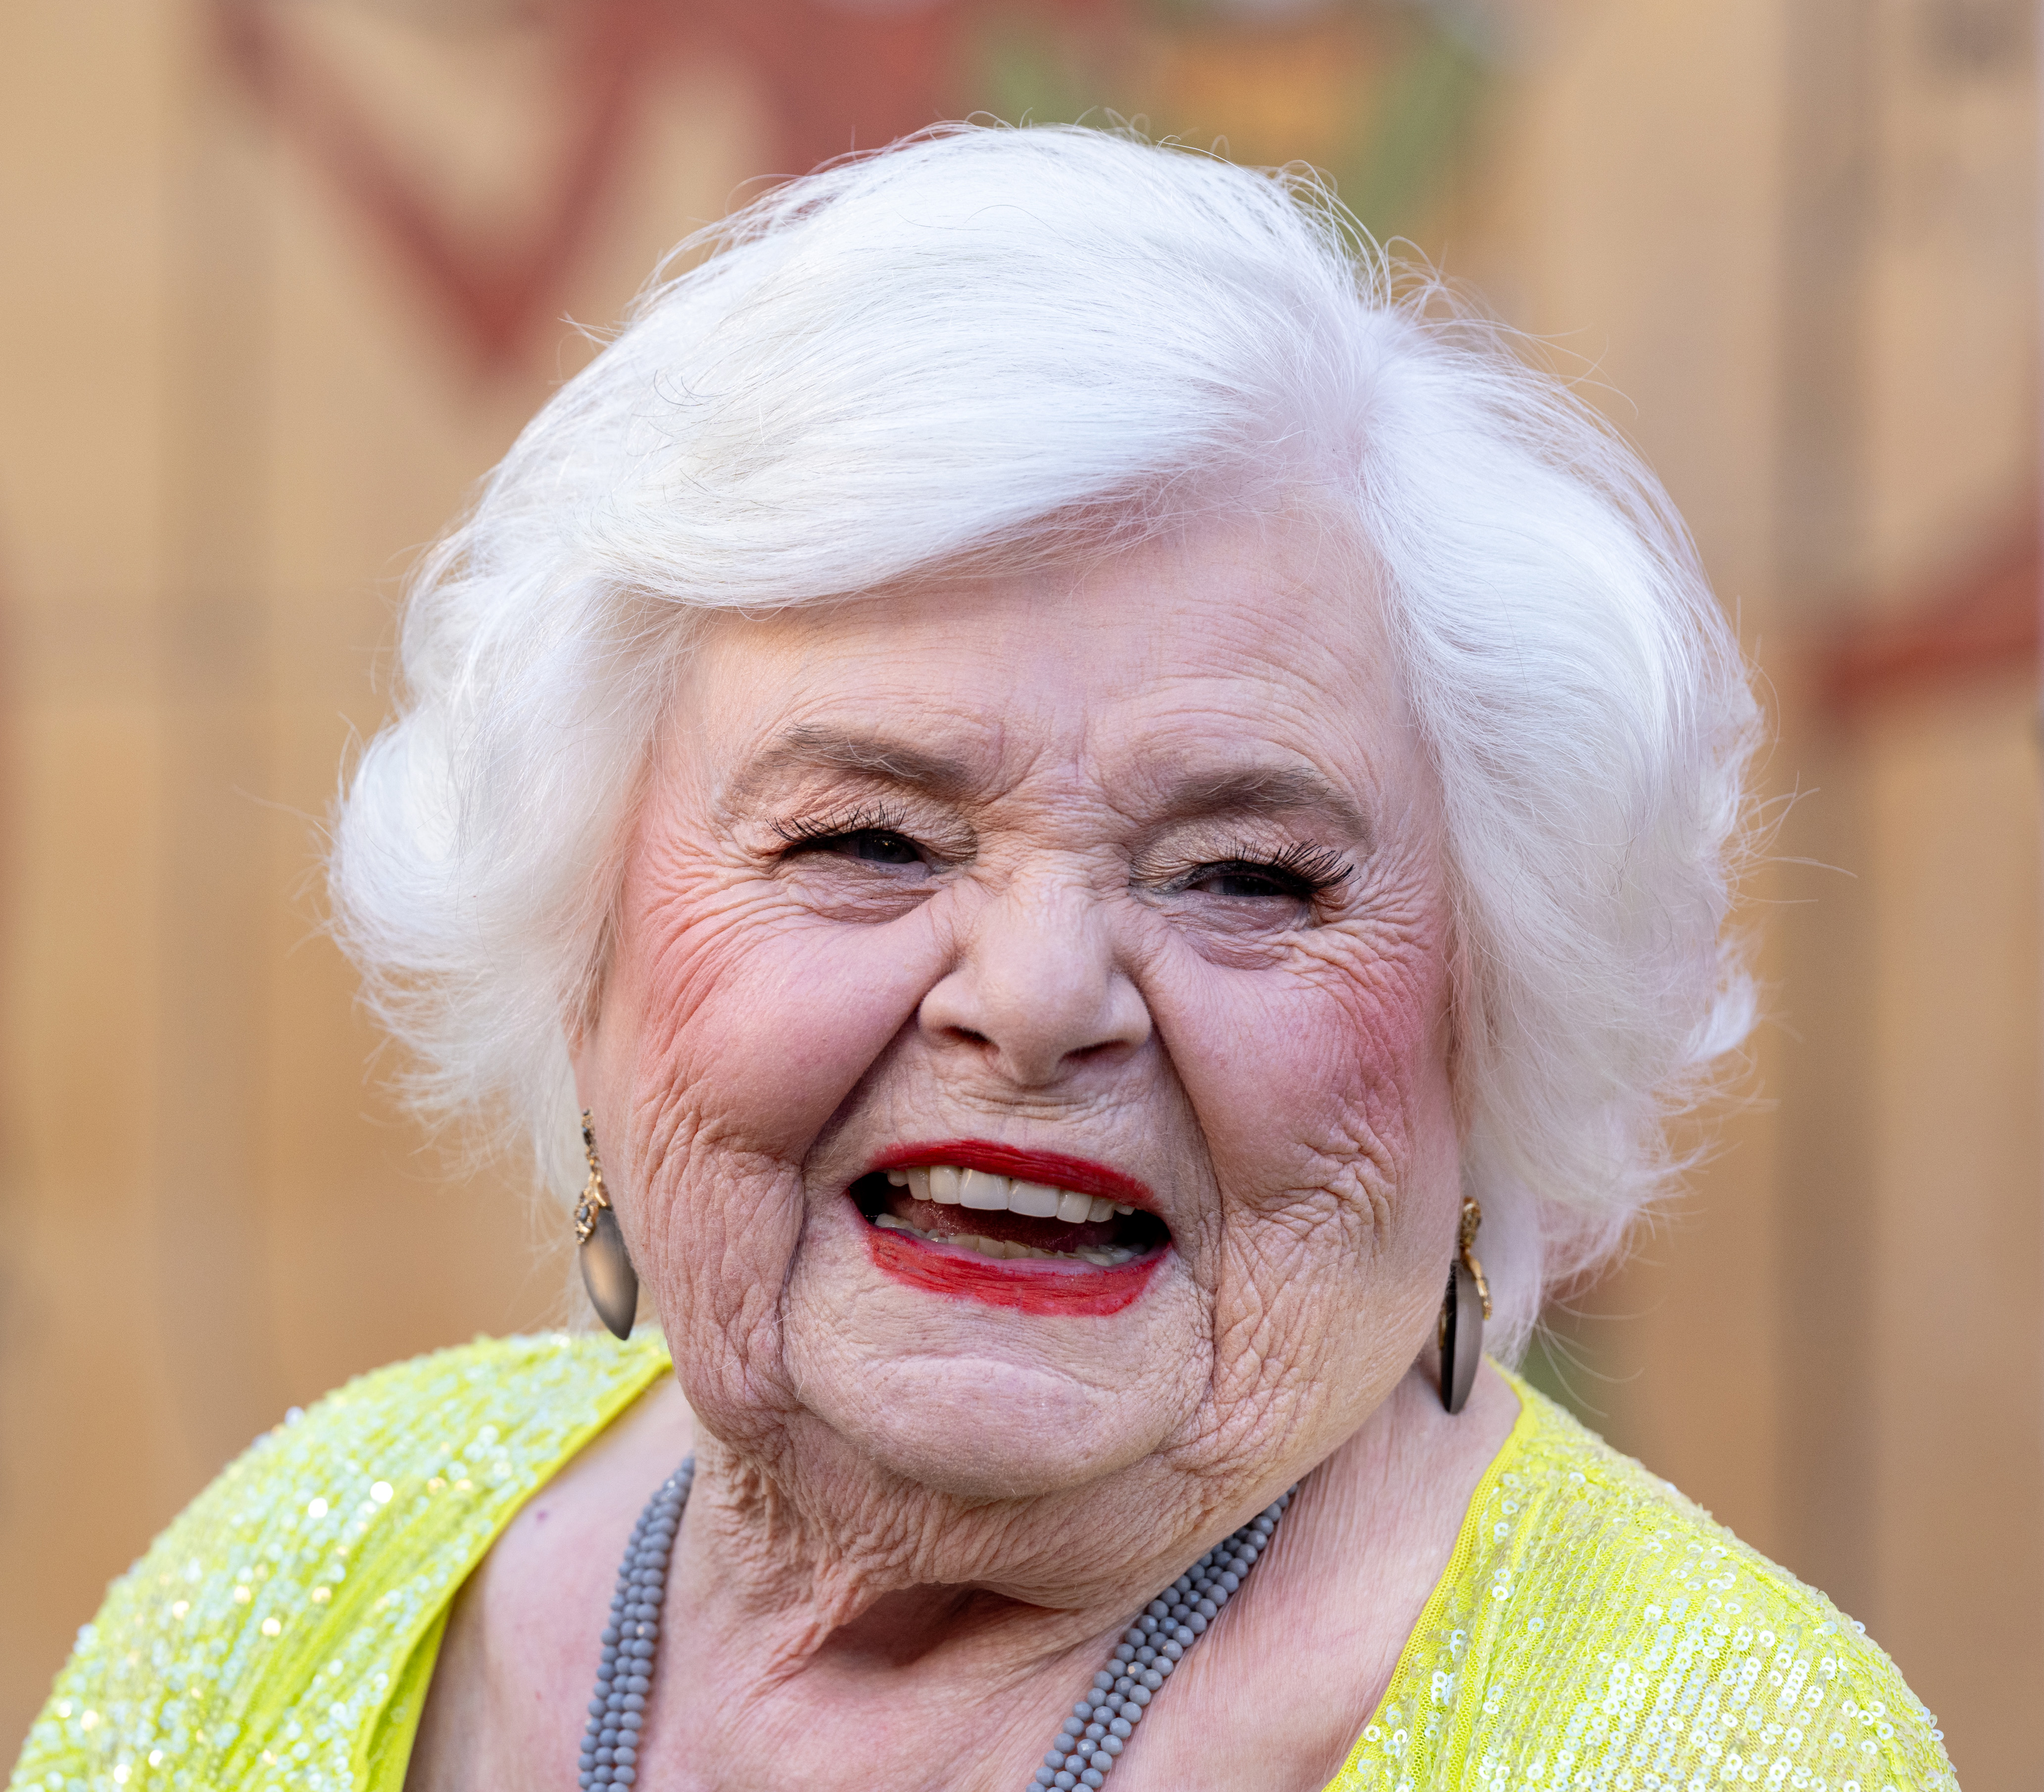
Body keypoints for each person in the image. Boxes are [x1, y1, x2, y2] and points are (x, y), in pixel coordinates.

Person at [11, 125, 1955, 1792]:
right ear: (577, 945)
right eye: (863, 838)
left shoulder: (1711, 1751)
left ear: (1494, 1014)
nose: (1034, 999)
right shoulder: (301, 1577)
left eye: (1245, 877)